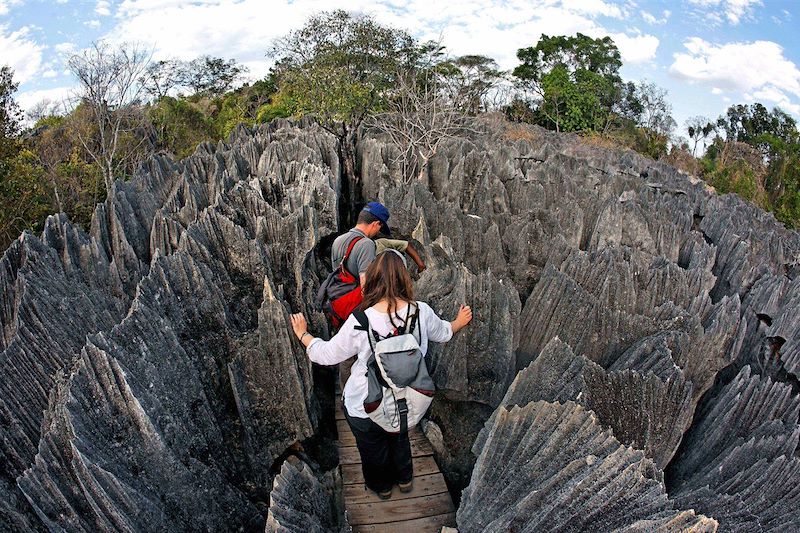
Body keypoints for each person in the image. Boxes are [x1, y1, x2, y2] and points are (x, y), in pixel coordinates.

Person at [290, 251, 472, 499]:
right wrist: (459, 321)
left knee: (372, 449)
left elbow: (326, 355)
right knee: (400, 436)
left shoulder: (360, 321)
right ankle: (405, 479)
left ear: (372, 279)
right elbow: (444, 332)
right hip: (407, 400)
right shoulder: (421, 312)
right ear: (405, 279)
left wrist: (303, 335)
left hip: (366, 403)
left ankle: (382, 488)